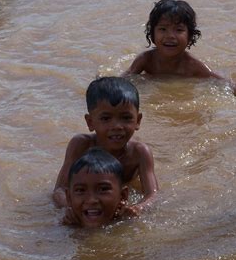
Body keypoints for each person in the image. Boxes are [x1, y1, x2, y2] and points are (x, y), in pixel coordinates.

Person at [53, 76, 158, 216]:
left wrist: (138, 208)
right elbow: (59, 190)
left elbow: (153, 195)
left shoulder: (139, 152)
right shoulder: (81, 145)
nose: (117, 126)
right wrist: (69, 209)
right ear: (90, 122)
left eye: (126, 118)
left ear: (137, 121)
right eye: (106, 118)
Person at [121, 0, 236, 96]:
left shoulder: (192, 65)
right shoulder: (145, 59)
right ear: (152, 34)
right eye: (163, 29)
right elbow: (124, 80)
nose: (170, 36)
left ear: (190, 36)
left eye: (179, 30)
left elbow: (222, 82)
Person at [64, 147, 129, 228]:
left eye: (103, 189)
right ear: (69, 197)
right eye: (80, 190)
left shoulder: (133, 226)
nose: (91, 200)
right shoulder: (58, 230)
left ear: (123, 196)